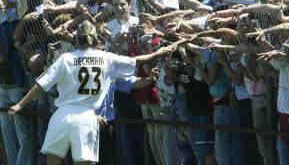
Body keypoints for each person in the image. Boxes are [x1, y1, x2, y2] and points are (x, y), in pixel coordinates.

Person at [8, 20, 177, 165]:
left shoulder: (66, 58)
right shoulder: (105, 58)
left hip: (62, 115)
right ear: (95, 37)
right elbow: (136, 61)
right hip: (88, 117)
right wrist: (158, 53)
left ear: (77, 38)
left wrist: (19, 104)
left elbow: (41, 84)